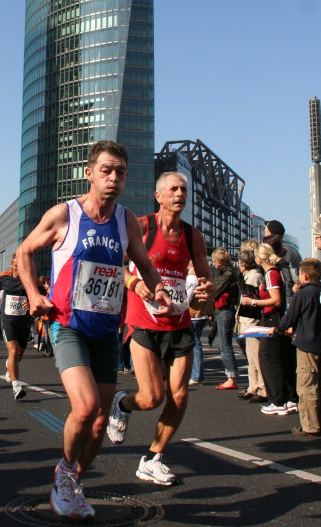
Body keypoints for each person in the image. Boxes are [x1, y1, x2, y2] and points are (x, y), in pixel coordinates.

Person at [17, 141, 173, 520]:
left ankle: (73, 483)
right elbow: (23, 252)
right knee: (86, 408)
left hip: (105, 331)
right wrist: (34, 294)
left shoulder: (126, 221)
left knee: (101, 421)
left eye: (121, 172)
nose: (114, 177)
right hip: (68, 325)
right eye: (106, 170)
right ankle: (65, 472)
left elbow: (144, 265)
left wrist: (160, 291)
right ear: (89, 173)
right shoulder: (64, 215)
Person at [106, 171, 212, 487]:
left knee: (179, 395)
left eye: (184, 189)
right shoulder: (142, 226)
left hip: (179, 322)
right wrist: (134, 283)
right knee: (153, 397)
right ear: (159, 196)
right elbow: (115, 264)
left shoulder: (193, 236)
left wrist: (206, 288)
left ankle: (153, 458)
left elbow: (205, 276)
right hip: (143, 321)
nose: (180, 194)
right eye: (173, 189)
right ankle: (123, 403)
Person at [268, 258, 321, 436]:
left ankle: (310, 425)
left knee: (306, 385)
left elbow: (290, 318)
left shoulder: (303, 295)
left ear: (305, 275)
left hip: (307, 343)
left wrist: (278, 329)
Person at [240, 243, 298, 415]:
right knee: (281, 359)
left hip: (273, 319)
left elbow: (276, 300)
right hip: (275, 318)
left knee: (269, 360)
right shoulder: (276, 272)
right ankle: (289, 398)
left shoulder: (271, 274)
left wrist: (253, 302)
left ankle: (278, 400)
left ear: (259, 258)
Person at [0, 254, 40, 400]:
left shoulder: (31, 280)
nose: (18, 269)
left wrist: (31, 303)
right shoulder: (4, 279)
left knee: (19, 355)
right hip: (8, 319)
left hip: (24, 321)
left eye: (21, 266)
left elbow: (41, 295)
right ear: (11, 265)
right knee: (13, 351)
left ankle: (10, 367)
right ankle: (16, 386)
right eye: (16, 266)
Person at [236, 249, 266, 402]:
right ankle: (253, 386)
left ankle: (262, 388)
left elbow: (252, 299)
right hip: (247, 319)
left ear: (244, 264)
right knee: (251, 356)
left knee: (255, 355)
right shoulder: (250, 276)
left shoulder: (254, 277)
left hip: (252, 320)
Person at [212, 247, 240, 390]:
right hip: (224, 310)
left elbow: (217, 289)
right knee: (223, 344)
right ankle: (230, 376)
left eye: (214, 260)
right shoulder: (228, 272)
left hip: (225, 310)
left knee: (225, 345)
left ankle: (231, 377)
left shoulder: (227, 273)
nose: (213, 263)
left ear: (220, 261)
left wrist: (208, 294)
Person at [188, 261, 214, 385]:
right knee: (195, 342)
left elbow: (187, 297)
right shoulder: (204, 274)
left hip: (194, 313)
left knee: (194, 343)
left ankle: (196, 375)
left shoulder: (192, 276)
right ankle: (196, 373)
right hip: (203, 313)